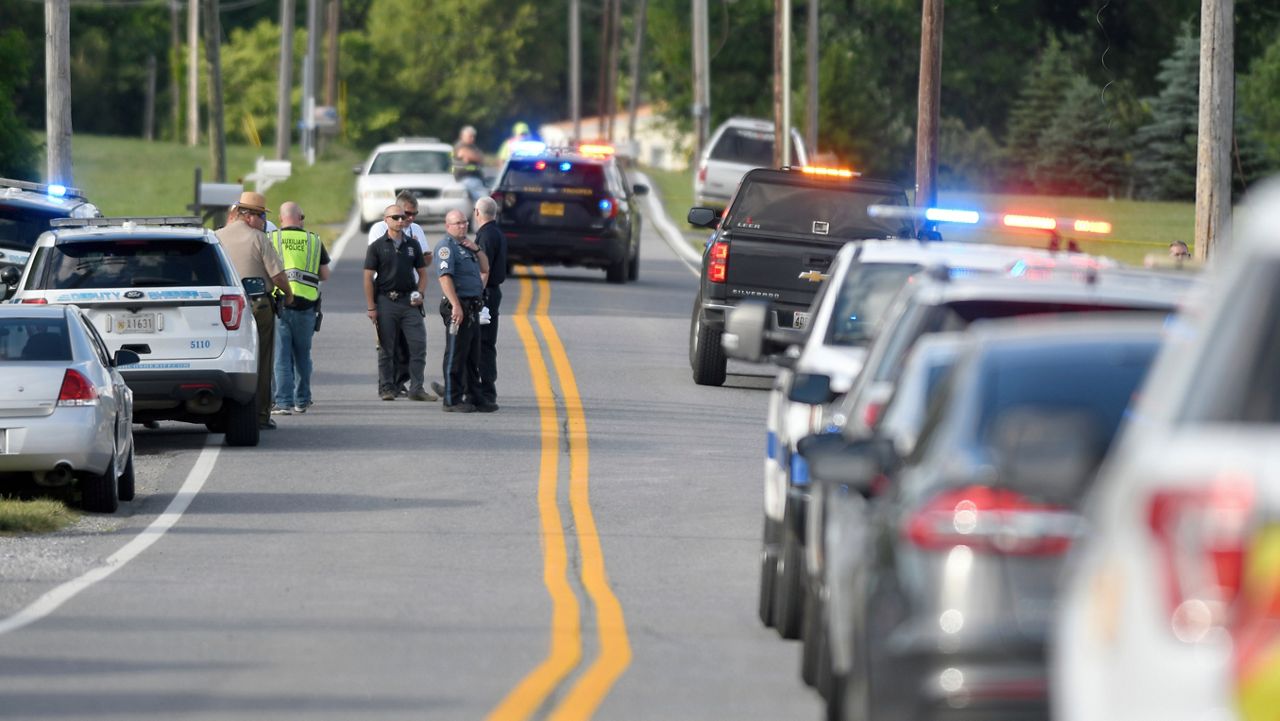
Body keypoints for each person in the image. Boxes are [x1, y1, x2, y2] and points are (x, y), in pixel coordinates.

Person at [216, 191, 294, 430]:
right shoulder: (258, 238)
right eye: (261, 216)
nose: (263, 222)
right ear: (249, 216)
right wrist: (288, 294)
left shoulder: (216, 237)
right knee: (261, 359)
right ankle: (260, 414)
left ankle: (223, 411)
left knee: (225, 360)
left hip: (221, 308)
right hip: (256, 304)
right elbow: (278, 275)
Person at [367, 192, 432, 397]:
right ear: (387, 219)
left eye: (409, 215)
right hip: (386, 296)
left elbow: (423, 269)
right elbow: (368, 275)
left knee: (417, 344)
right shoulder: (378, 241)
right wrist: (371, 306)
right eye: (400, 216)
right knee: (387, 346)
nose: (405, 219)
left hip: (409, 298)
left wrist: (420, 293)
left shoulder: (413, 241)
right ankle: (387, 386)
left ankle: (415, 387)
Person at [269, 202, 330, 416]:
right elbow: (324, 274)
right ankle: (302, 400)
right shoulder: (314, 240)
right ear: (300, 217)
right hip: (307, 306)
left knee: (281, 357)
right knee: (303, 355)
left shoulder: (273, 239)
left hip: (280, 305)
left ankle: (283, 402)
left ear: (280, 218)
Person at [431, 209, 490, 412]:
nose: (462, 226)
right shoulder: (446, 248)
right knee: (456, 354)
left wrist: (477, 249)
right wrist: (456, 305)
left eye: (464, 222)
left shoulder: (467, 247)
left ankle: (474, 396)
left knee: (472, 356)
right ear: (448, 226)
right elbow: (445, 278)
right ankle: (451, 399)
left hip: (472, 307)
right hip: (458, 307)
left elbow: (486, 268)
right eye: (457, 223)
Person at [472, 197, 507, 411]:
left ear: (477, 213)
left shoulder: (485, 236)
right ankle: (470, 387)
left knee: (481, 344)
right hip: (493, 292)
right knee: (485, 344)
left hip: (486, 294)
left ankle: (485, 392)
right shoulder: (497, 232)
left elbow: (483, 270)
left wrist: (476, 294)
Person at [453, 126, 487, 202]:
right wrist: (474, 156)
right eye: (470, 136)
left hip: (476, 178)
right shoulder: (459, 146)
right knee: (484, 200)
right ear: (462, 136)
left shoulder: (473, 147)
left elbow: (481, 159)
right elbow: (476, 157)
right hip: (466, 177)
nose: (472, 138)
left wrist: (474, 156)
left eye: (473, 136)